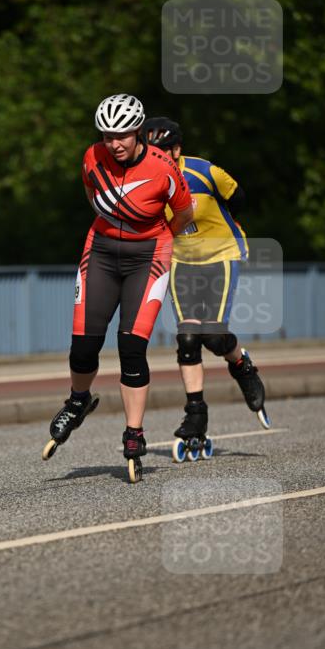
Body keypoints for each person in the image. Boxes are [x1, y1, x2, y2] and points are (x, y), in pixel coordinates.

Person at [43, 94, 194, 481]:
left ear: (139, 132)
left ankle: (133, 433)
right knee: (84, 345)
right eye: (108, 135)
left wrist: (158, 241)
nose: (115, 144)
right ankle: (78, 401)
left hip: (150, 254)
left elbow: (184, 213)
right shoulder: (91, 157)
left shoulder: (163, 167)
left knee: (131, 345)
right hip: (102, 250)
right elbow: (96, 200)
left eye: (123, 135)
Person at [141, 116, 269, 461]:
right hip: (181, 261)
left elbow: (238, 197)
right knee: (186, 338)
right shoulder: (146, 180)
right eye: (150, 151)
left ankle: (242, 365)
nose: (156, 157)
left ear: (177, 149)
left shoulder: (204, 171)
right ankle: (195, 414)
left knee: (213, 336)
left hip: (221, 255)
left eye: (162, 151)